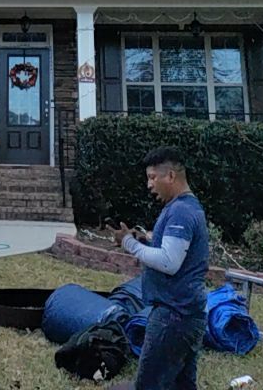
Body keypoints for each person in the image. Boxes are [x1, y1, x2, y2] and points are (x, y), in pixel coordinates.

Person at [111, 146, 209, 390]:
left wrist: (129, 243)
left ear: (171, 176)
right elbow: (174, 252)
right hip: (187, 314)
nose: (149, 185)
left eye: (153, 177)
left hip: (173, 316)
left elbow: (169, 262)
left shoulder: (181, 211)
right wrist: (145, 242)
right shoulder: (187, 206)